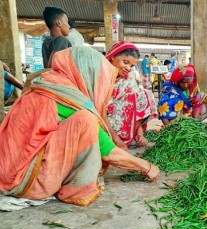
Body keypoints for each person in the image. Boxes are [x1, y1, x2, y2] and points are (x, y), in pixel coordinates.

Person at [0, 47, 160, 207]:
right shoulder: (66, 97)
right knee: (86, 120)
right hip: (23, 180)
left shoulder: (50, 85)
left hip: (10, 170)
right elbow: (109, 151)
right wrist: (146, 166)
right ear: (87, 72)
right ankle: (70, 187)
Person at [105, 41, 158, 148]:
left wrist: (139, 133)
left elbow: (137, 109)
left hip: (121, 117)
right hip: (104, 118)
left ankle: (134, 134)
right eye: (125, 62)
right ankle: (113, 136)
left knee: (145, 95)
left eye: (132, 65)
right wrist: (116, 139)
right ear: (113, 56)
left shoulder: (129, 78)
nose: (128, 68)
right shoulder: (100, 74)